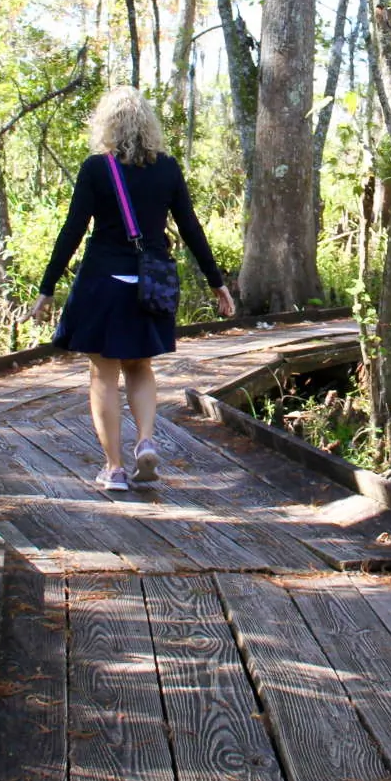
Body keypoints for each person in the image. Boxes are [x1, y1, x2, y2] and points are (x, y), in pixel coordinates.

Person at [28, 86, 234, 491]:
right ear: (148, 125)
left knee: (103, 374)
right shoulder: (168, 169)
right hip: (149, 285)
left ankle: (115, 469)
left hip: (103, 282)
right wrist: (217, 283)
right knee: (140, 366)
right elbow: (191, 228)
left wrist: (47, 287)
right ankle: (144, 442)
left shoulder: (95, 169)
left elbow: (73, 230)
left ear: (106, 124)